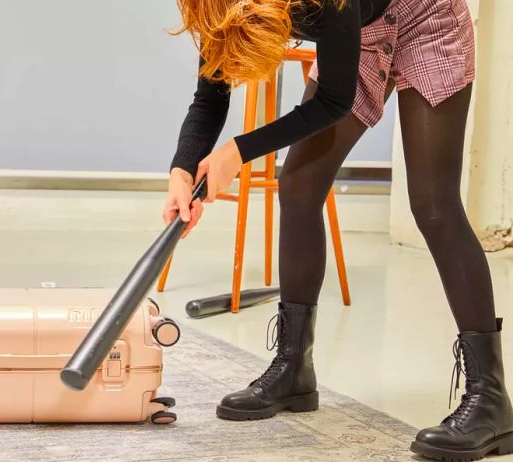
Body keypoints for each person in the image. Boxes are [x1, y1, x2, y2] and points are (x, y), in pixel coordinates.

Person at [162, 0, 513, 460]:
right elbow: (211, 90)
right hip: (359, 36)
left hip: (426, 19)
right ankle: (293, 369)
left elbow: (333, 101)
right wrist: (181, 170)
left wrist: (238, 151)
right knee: (300, 184)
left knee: (433, 205)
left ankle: (490, 399)